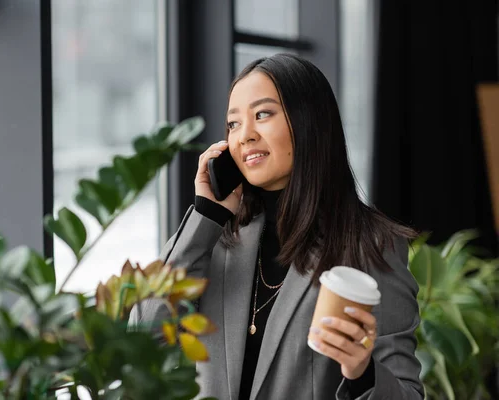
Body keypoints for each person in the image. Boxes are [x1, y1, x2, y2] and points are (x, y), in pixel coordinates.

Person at [130, 54, 423, 400]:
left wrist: (362, 373)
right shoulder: (219, 239)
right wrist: (205, 217)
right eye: (233, 124)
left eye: (263, 114)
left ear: (308, 122)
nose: (245, 136)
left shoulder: (370, 245)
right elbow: (142, 335)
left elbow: (407, 393)